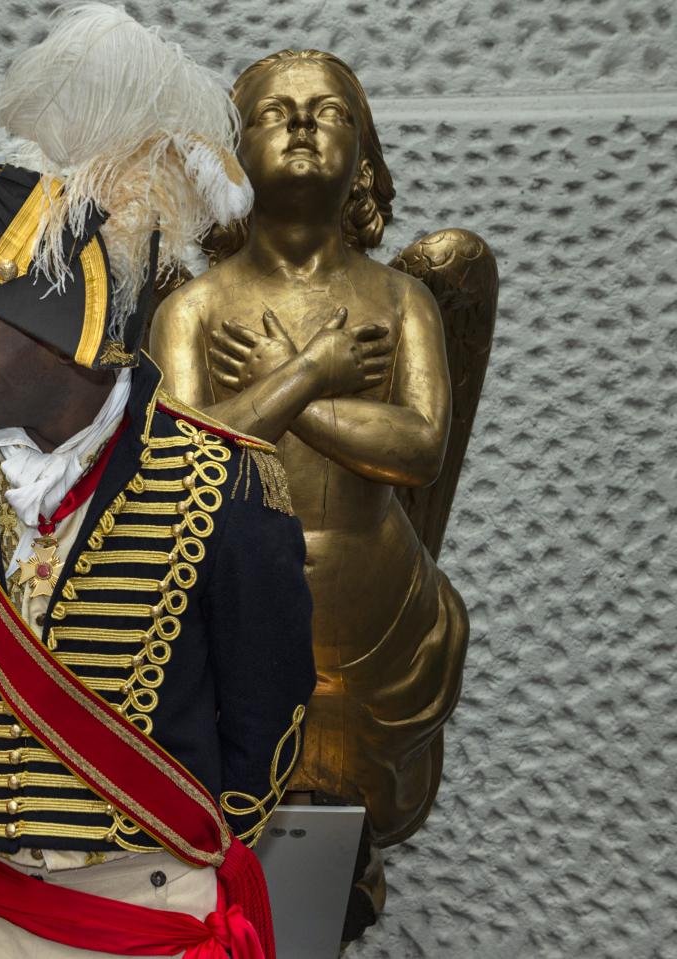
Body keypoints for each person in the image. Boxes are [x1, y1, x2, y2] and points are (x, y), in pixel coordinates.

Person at [0, 7, 316, 957]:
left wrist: (171, 850)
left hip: (143, 899)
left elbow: (267, 709)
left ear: (67, 346)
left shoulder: (228, 484)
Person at [148, 49, 470, 940]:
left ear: (363, 158)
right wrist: (320, 370)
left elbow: (420, 446)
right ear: (232, 157)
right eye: (274, 111)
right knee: (236, 867)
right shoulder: (194, 310)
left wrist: (295, 393)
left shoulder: (404, 299)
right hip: (233, 623)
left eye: (329, 111)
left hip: (378, 628)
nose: (299, 123)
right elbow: (183, 456)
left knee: (339, 876)